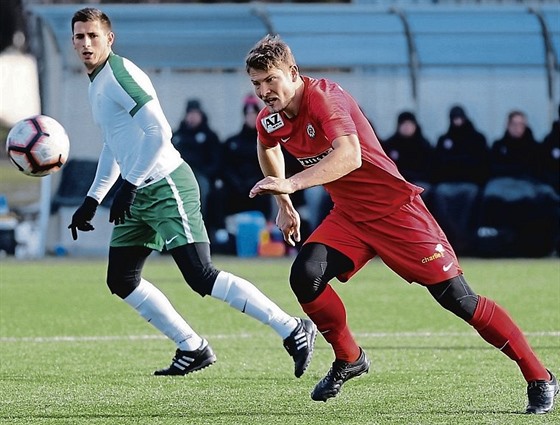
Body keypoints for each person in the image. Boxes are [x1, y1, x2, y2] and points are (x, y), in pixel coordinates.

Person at [245, 34, 558, 413]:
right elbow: (267, 143)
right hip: (350, 216)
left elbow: (350, 156)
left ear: (292, 72)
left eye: (270, 80)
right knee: (305, 276)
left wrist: (292, 183)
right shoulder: (271, 117)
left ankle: (539, 376)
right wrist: (284, 203)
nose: (264, 91)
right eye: (256, 83)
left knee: (459, 300)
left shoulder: (325, 98)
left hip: (396, 213)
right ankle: (350, 357)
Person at [67, 8, 316, 379]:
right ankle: (192, 347)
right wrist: (92, 199)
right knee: (121, 279)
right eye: (79, 37)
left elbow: (159, 132)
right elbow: (114, 145)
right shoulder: (96, 82)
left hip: (165, 184)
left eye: (93, 36)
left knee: (200, 275)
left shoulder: (119, 75)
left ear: (109, 39)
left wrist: (130, 185)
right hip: (139, 189)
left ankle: (292, 328)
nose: (86, 43)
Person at [478, 110, 559, 257]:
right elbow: (493, 168)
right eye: (514, 124)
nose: (518, 128)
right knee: (490, 194)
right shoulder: (499, 145)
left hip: (526, 187)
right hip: (502, 187)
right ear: (507, 125)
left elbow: (536, 170)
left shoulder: (534, 147)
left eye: (521, 124)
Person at [431, 105, 490, 255]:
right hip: (447, 184)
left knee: (470, 197)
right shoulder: (444, 139)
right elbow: (438, 165)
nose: (457, 121)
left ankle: (463, 237)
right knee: (439, 195)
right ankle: (452, 236)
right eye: (454, 118)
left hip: (470, 184)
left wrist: (455, 164)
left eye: (459, 118)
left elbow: (480, 164)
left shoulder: (477, 139)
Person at [171, 98, 221, 218]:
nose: (192, 117)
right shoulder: (178, 135)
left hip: (200, 174)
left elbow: (216, 161)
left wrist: (206, 172)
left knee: (201, 190)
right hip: (179, 174)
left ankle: (198, 220)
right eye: (190, 113)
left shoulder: (210, 136)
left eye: (195, 114)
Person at [382, 111, 434, 206]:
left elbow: (428, 168)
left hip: (419, 182)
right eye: (403, 124)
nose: (406, 127)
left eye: (409, 124)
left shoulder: (423, 145)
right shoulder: (390, 144)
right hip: (397, 182)